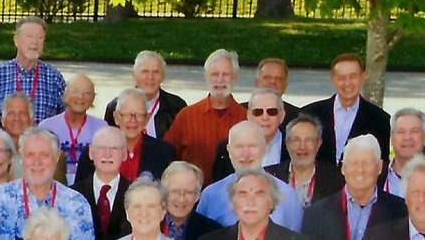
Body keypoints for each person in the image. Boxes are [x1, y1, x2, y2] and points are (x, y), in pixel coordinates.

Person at [0, 126, 96, 240]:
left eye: (44, 155)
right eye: (30, 155)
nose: (36, 162)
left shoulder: (76, 203)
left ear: (57, 157)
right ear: (21, 157)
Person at [194, 120, 302, 231]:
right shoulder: (210, 195)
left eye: (252, 146)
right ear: (229, 151)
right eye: (239, 147)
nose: (245, 154)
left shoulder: (287, 194)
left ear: (264, 149)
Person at [163, 49, 247, 183]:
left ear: (235, 76)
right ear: (206, 76)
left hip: (234, 196)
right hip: (191, 197)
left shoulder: (246, 118)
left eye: (225, 74)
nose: (219, 80)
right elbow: (165, 154)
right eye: (214, 74)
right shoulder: (187, 116)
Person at [304, 53, 391, 165]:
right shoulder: (310, 114)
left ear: (363, 77)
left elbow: (381, 163)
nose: (347, 83)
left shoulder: (380, 119)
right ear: (333, 80)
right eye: (341, 78)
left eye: (353, 76)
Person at [78, 87, 176, 184]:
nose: (133, 120)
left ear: (146, 119)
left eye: (139, 115)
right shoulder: (94, 151)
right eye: (127, 115)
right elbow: (81, 192)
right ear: (116, 117)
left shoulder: (164, 152)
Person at [0, 16, 66, 121]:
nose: (35, 42)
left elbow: (64, 118)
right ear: (16, 40)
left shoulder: (54, 78)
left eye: (40, 37)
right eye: (29, 36)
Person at [103, 51, 186, 140]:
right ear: (134, 75)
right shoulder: (116, 106)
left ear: (163, 76)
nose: (150, 77)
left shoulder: (176, 107)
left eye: (156, 72)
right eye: (144, 72)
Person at [210, 88, 289, 181]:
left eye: (272, 112)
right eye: (258, 112)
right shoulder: (226, 148)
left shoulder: (292, 146)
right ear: (249, 115)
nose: (265, 117)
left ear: (282, 115)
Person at [266, 114, 343, 209]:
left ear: (318, 143)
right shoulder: (268, 176)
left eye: (309, 140)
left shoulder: (335, 179)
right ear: (287, 143)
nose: (302, 147)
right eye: (296, 140)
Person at [39, 74, 105, 185]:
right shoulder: (46, 127)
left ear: (93, 98)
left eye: (87, 92)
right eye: (75, 91)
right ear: (65, 94)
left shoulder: (101, 128)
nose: (80, 96)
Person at [74, 125, 131, 240]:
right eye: (101, 148)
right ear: (90, 152)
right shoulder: (73, 195)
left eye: (114, 148)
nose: (107, 154)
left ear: (124, 154)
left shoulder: (135, 194)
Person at [159, 160, 218, 240]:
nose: (181, 199)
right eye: (175, 191)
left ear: (198, 195)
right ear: (163, 192)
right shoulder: (145, 223)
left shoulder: (212, 233)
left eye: (188, 192)